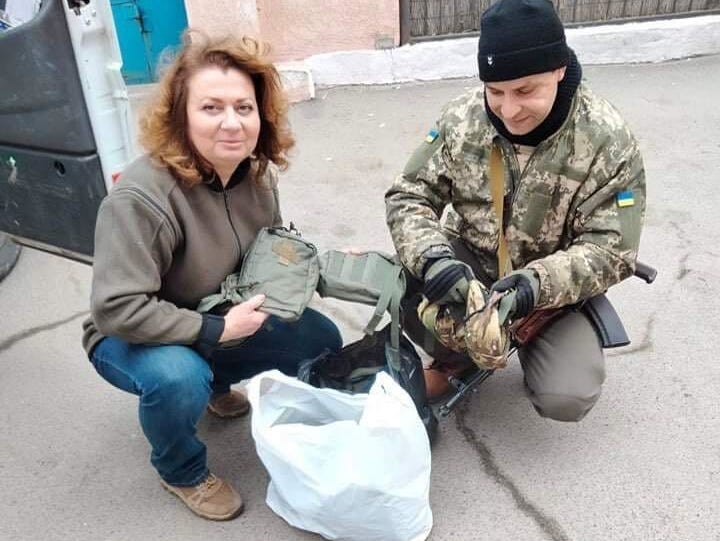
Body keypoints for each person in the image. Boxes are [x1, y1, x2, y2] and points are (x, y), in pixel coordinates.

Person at [82, 32, 342, 521]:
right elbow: (116, 308)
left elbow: (268, 253)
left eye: (244, 107)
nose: (231, 123)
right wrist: (216, 331)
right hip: (126, 333)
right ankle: (180, 469)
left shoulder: (258, 176)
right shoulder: (140, 200)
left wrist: (313, 263)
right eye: (211, 108)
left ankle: (216, 383)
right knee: (179, 378)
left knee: (320, 336)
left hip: (217, 310)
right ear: (180, 116)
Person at [386, 0, 646, 422]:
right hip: (470, 266)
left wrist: (534, 287)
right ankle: (459, 356)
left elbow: (613, 250)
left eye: (525, 90)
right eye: (495, 91)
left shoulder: (606, 138)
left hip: (551, 291)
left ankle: (516, 344)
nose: (508, 111)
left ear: (559, 70)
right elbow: (409, 195)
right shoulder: (463, 117)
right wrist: (435, 261)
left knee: (567, 395)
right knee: (399, 287)